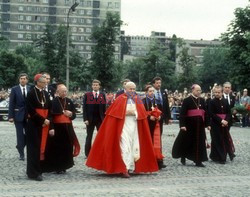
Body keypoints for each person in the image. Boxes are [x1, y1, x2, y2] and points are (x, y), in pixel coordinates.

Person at [86, 82, 158, 178]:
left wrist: (135, 113)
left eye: (133, 89)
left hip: (135, 125)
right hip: (123, 126)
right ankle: (124, 168)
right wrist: (126, 112)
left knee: (134, 146)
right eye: (130, 89)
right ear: (126, 89)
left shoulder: (138, 99)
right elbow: (115, 114)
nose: (132, 91)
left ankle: (131, 166)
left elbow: (142, 112)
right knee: (125, 146)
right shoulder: (120, 99)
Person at [41, 84, 80, 173]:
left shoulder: (69, 101)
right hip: (57, 128)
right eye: (63, 91)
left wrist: (70, 114)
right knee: (57, 147)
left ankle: (65, 166)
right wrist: (51, 128)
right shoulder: (53, 102)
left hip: (68, 128)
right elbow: (50, 116)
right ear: (58, 92)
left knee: (67, 147)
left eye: (66, 91)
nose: (65, 93)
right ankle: (57, 167)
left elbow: (73, 115)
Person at [172, 84, 210, 167]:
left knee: (200, 143)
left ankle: (198, 161)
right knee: (187, 142)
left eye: (200, 90)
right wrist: (182, 125)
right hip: (189, 126)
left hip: (200, 126)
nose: (199, 92)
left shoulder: (202, 100)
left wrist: (208, 124)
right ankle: (183, 155)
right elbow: (182, 114)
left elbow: (205, 113)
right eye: (197, 90)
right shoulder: (187, 100)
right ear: (192, 90)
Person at [26, 74, 54, 181]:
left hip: (45, 124)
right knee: (34, 149)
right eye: (43, 81)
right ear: (37, 82)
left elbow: (50, 109)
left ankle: (40, 169)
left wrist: (48, 120)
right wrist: (42, 120)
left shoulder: (46, 93)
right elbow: (31, 110)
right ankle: (33, 173)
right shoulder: (31, 93)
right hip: (34, 124)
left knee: (42, 148)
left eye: (46, 82)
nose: (45, 83)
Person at [209, 85, 235, 164]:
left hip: (225, 124)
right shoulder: (211, 102)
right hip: (215, 124)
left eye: (218, 92)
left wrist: (226, 121)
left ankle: (217, 156)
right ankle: (221, 157)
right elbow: (211, 114)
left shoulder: (225, 101)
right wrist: (221, 121)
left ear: (221, 92)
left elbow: (228, 113)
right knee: (217, 140)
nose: (217, 94)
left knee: (225, 139)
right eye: (215, 92)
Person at [142, 85, 165, 169]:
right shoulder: (143, 101)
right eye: (150, 91)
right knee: (148, 142)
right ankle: (148, 162)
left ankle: (159, 161)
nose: (152, 93)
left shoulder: (157, 101)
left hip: (156, 124)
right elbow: (141, 113)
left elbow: (162, 112)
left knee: (157, 142)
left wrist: (160, 117)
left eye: (153, 91)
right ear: (146, 92)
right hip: (147, 124)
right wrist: (148, 117)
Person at [8, 73, 30, 160]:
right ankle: (21, 154)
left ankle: (19, 146)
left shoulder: (30, 88)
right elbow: (11, 103)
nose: (23, 80)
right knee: (20, 135)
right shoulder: (14, 89)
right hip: (18, 116)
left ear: (27, 80)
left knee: (29, 134)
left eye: (24, 78)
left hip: (28, 116)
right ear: (19, 80)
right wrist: (10, 116)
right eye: (21, 78)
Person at [151, 77, 172, 168]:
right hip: (153, 119)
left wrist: (168, 117)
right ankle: (153, 160)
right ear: (153, 84)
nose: (159, 84)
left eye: (160, 83)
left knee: (159, 139)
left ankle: (160, 159)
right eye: (157, 83)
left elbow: (166, 105)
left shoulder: (163, 93)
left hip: (161, 118)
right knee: (153, 139)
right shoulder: (151, 93)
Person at [83, 79, 106, 157]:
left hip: (100, 119)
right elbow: (84, 108)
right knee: (89, 136)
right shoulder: (87, 95)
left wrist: (104, 119)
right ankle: (88, 153)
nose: (95, 86)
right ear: (92, 86)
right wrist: (85, 119)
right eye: (94, 85)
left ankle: (101, 152)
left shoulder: (102, 95)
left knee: (101, 137)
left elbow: (104, 108)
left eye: (97, 85)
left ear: (99, 86)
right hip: (90, 119)